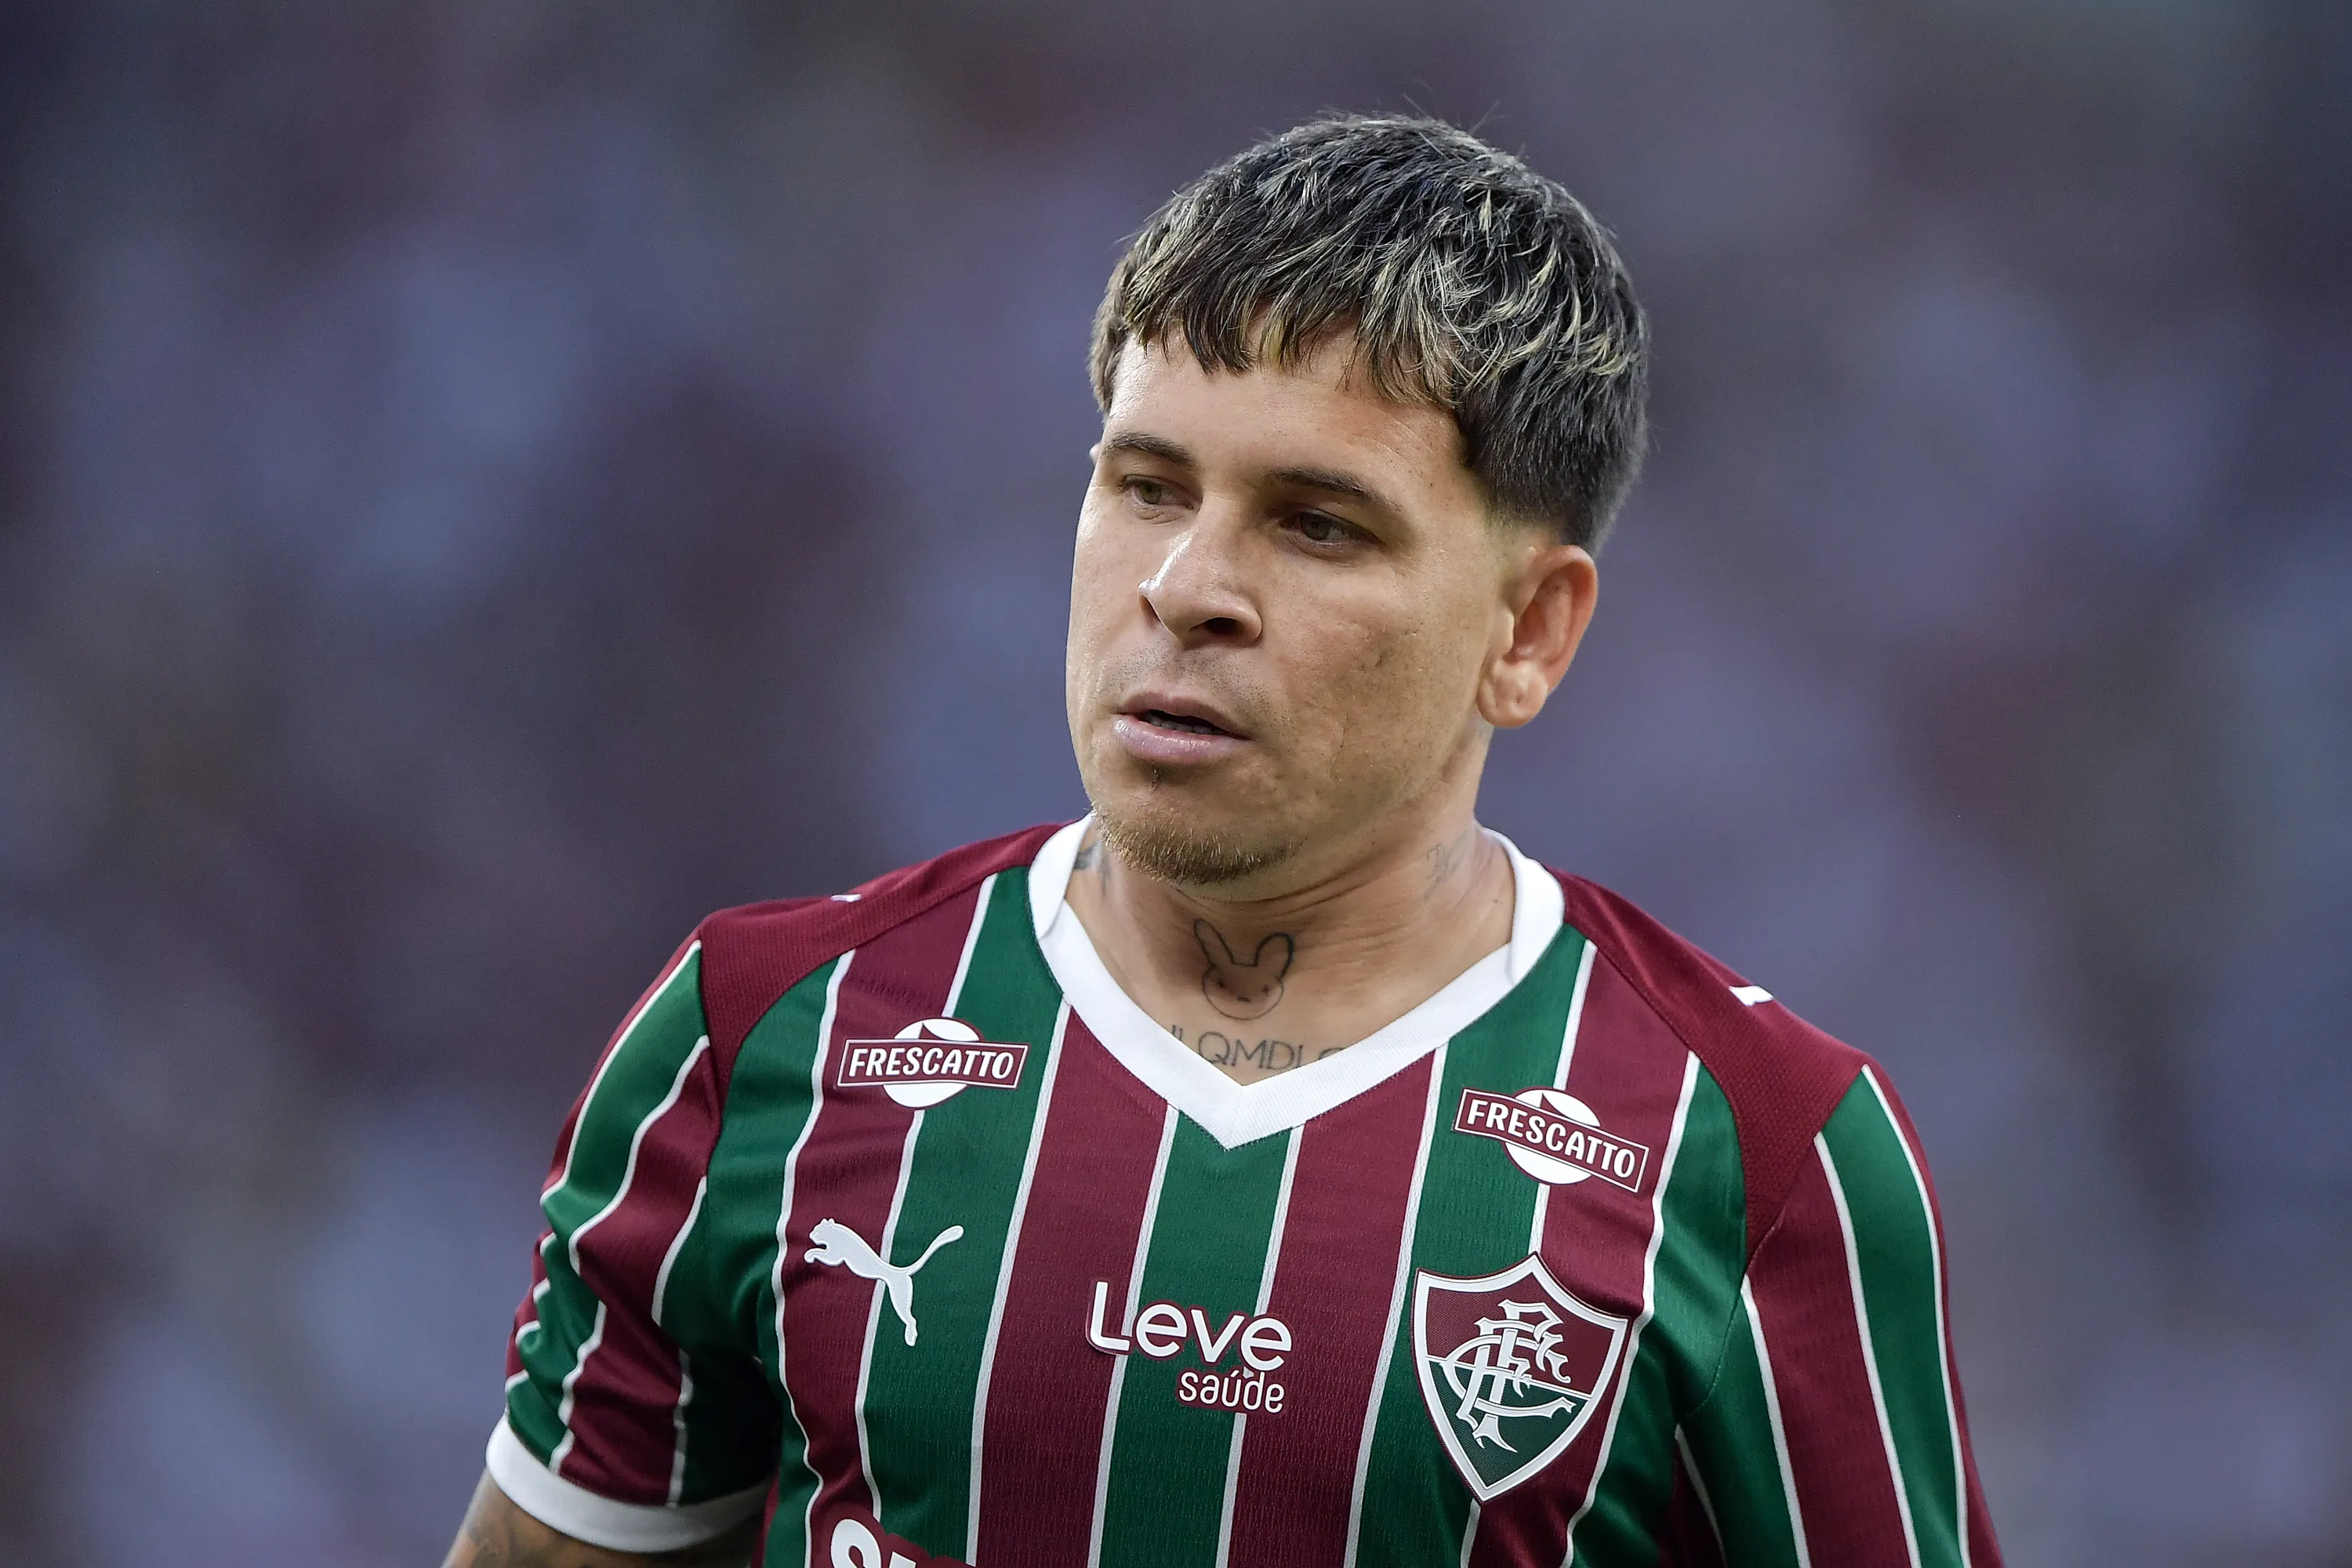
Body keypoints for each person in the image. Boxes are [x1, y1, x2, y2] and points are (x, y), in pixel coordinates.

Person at [445, 114, 2004, 1568]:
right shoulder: (762, 1030)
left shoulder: (1762, 1148)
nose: (1186, 584)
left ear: (1527, 630)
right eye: (1146, 485)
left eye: (1318, 522)